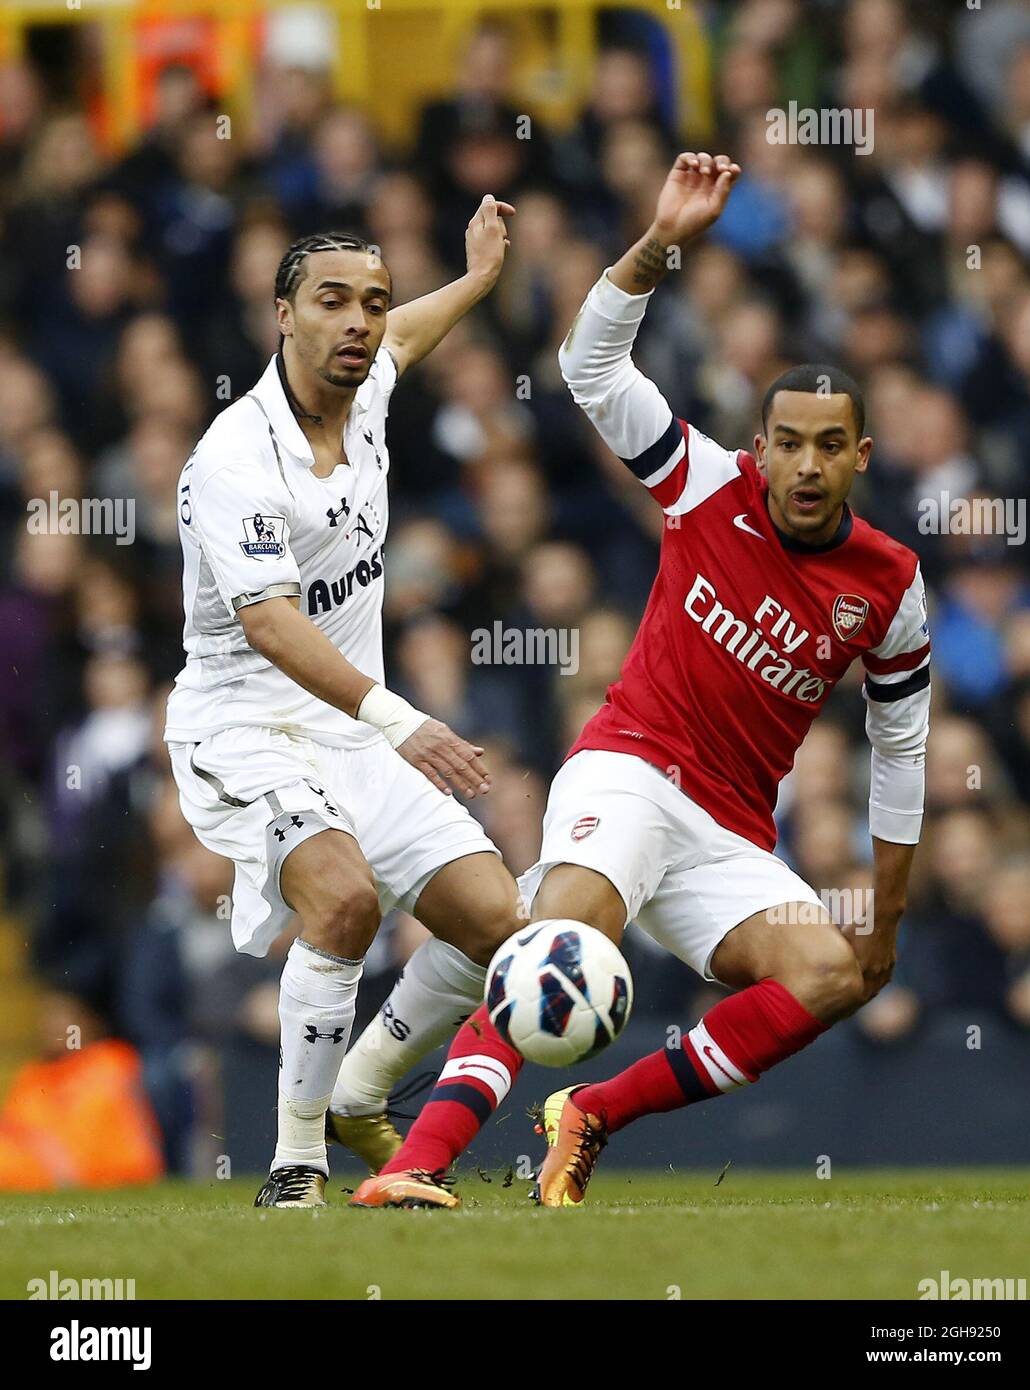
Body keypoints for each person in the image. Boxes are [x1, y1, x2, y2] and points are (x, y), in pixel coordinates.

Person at [348, 153, 932, 1209]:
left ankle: (592, 1114)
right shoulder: (708, 485)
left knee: (827, 977)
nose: (804, 465)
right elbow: (588, 367)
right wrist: (660, 243)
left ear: (860, 456)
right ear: (760, 447)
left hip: (727, 829)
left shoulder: (888, 583)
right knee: (557, 943)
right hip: (625, 770)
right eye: (787, 443)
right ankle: (412, 1164)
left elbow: (900, 751)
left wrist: (883, 919)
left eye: (828, 447)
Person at [165, 199, 527, 1207]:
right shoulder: (234, 458)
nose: (362, 321)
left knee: (500, 923)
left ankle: (361, 1090)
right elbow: (273, 626)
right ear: (282, 315)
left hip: (354, 728)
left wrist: (479, 282)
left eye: (372, 301)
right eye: (333, 302)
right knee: (344, 899)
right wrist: (403, 721)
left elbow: (413, 330)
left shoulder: (368, 388)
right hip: (247, 725)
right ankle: (294, 1163)